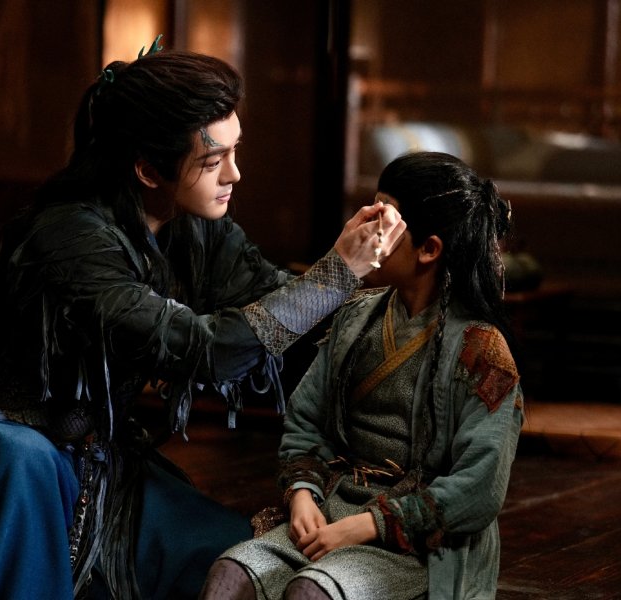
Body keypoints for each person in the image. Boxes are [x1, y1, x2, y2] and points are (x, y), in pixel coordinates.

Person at [0, 36, 406, 600]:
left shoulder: (197, 229)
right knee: (18, 461)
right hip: (14, 462)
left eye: (235, 151)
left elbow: (286, 305)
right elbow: (203, 348)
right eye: (213, 160)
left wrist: (409, 306)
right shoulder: (70, 237)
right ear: (148, 169)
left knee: (240, 562)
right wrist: (335, 274)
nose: (234, 175)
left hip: (103, 471)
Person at [200, 150, 525, 600]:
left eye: (383, 219)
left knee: (310, 591)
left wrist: (369, 525)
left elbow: (480, 487)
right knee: (229, 576)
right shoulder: (356, 317)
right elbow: (306, 419)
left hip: (418, 541)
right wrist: (302, 494)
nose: (363, 230)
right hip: (335, 505)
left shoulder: (481, 350)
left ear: (429, 249)